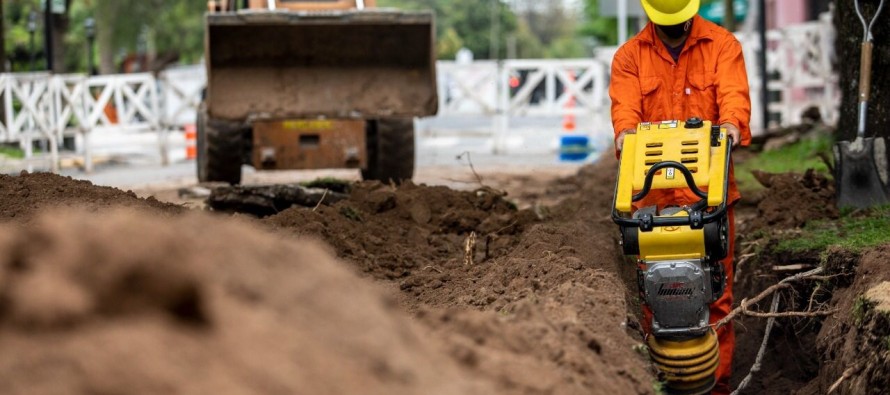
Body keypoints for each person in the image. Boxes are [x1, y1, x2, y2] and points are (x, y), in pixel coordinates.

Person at [609, 1, 751, 393]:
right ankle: (661, 385)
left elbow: (734, 96)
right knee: (655, 298)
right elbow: (625, 110)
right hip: (651, 204)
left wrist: (732, 126)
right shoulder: (629, 58)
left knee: (715, 298)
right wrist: (624, 133)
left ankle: (716, 387)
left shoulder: (722, 45)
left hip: (709, 199)